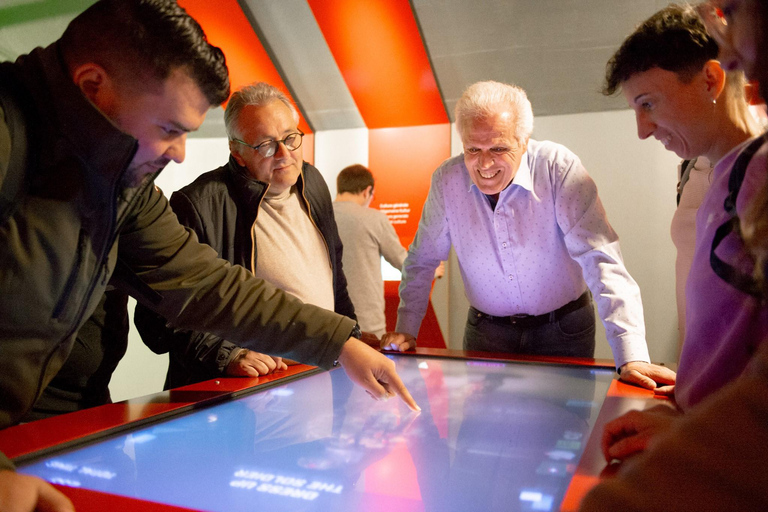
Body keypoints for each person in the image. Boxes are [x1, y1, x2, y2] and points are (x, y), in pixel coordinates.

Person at [0, 1, 417, 510]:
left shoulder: (121, 182)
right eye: (170, 128)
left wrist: (341, 343)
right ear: (93, 87)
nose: (177, 153)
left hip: (59, 425)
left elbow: (204, 283)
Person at [381, 80, 676, 390]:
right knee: (482, 431)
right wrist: (406, 330)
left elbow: (600, 258)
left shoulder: (557, 169)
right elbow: (422, 259)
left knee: (564, 431)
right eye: (472, 149)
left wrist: (631, 355)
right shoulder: (447, 180)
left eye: (498, 148)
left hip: (563, 330)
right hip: (486, 333)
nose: (484, 164)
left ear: (523, 141)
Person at [596, 3, 766, 465]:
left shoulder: (759, 174)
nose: (642, 130)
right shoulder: (716, 174)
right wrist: (687, 413)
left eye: (648, 104)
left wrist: (702, 432)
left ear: (711, 80)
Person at [134, 82, 362, 389]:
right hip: (246, 395)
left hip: (318, 378)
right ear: (237, 151)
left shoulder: (313, 182)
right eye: (266, 145)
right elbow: (159, 316)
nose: (284, 154)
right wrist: (228, 354)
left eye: (291, 138)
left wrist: (350, 339)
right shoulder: (199, 203)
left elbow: (336, 279)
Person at [333, 164, 446, 338]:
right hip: (365, 322)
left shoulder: (319, 216)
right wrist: (431, 269)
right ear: (367, 190)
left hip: (328, 321)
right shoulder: (373, 218)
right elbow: (403, 262)